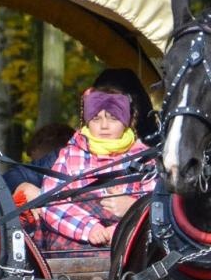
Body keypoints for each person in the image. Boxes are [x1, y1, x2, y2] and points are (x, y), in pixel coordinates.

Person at [38, 80, 154, 250]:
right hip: (72, 247)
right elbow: (50, 202)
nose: (104, 126)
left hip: (130, 247)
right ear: (86, 121)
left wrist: (130, 212)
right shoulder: (70, 154)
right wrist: (89, 228)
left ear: (128, 121)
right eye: (96, 118)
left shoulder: (145, 158)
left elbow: (159, 205)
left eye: (113, 118)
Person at [4, 121, 76, 204]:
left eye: (33, 160)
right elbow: (13, 175)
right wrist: (25, 187)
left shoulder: (61, 157)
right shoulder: (65, 156)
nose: (33, 162)